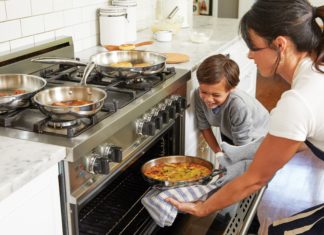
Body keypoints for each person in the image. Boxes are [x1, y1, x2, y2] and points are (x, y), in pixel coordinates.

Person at [166, 0, 324, 234]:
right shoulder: (315, 71)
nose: (249, 55)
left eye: (254, 46)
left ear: (280, 44)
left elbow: (256, 178)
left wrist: (202, 208)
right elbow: (299, 141)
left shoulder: (298, 101)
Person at [194, 54, 269, 154]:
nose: (208, 99)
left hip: (257, 140)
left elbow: (243, 148)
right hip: (231, 132)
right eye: (204, 92)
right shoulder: (198, 95)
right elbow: (204, 127)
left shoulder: (238, 106)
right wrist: (219, 154)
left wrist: (233, 163)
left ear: (231, 89)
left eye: (216, 95)